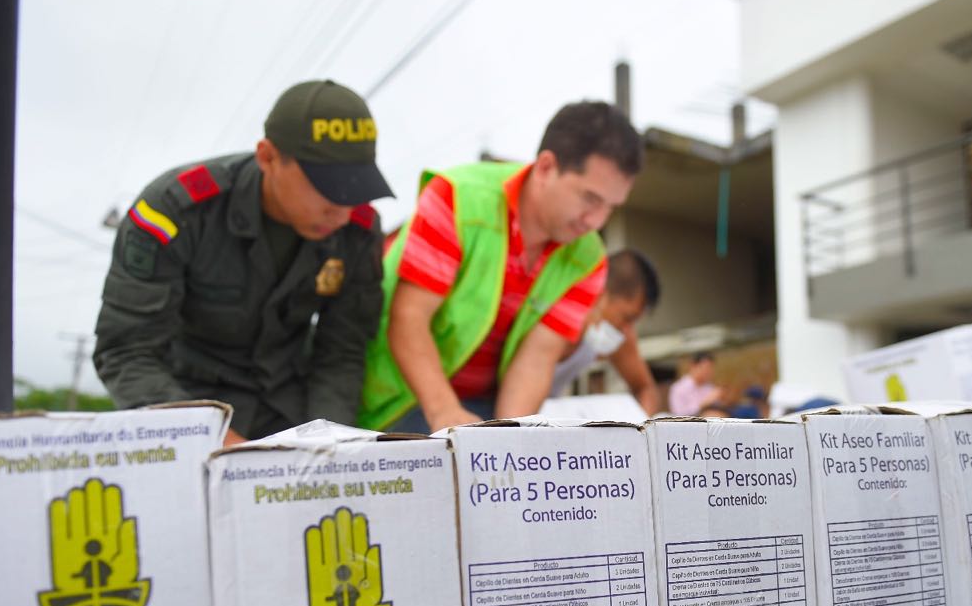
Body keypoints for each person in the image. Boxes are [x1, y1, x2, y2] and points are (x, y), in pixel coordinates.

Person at [93, 80, 391, 445]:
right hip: (182, 410)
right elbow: (126, 350)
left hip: (291, 416)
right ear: (267, 157)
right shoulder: (177, 212)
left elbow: (341, 352)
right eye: (328, 187)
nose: (343, 211)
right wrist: (208, 438)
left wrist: (328, 444)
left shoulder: (358, 232)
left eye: (356, 188)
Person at [357, 101, 642, 432]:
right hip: (396, 401)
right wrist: (444, 414)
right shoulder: (457, 198)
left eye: (611, 207)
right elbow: (409, 318)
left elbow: (536, 358)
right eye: (590, 199)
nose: (596, 221)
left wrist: (506, 439)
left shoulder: (589, 260)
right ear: (547, 167)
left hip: (482, 407)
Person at [548, 248, 662, 414]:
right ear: (600, 293)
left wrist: (642, 429)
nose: (626, 330)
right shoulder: (553, 314)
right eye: (627, 318)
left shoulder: (621, 333)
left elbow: (646, 389)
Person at [668, 352, 723, 416]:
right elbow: (679, 414)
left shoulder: (709, 387)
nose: (708, 372)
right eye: (705, 368)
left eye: (710, 368)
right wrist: (704, 403)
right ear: (693, 366)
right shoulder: (678, 388)